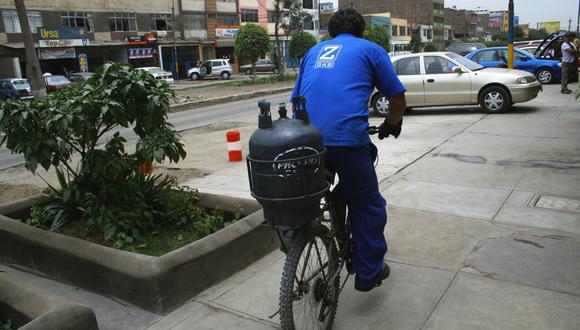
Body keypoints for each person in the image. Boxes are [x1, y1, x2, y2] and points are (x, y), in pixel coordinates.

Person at [291, 8, 406, 292]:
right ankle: (368, 273)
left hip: (306, 141)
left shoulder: (312, 52)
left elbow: (296, 99)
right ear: (361, 31)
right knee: (369, 207)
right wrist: (392, 124)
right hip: (348, 143)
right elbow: (397, 97)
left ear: (331, 32)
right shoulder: (371, 50)